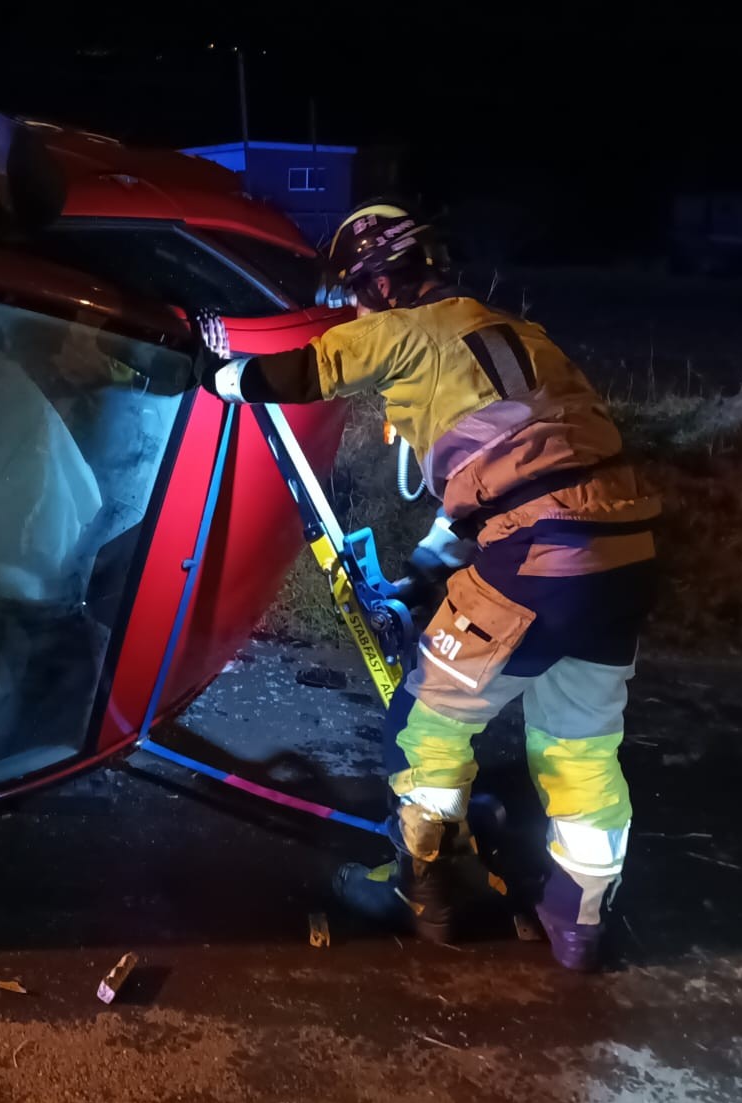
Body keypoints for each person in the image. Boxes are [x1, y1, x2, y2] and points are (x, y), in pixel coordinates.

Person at [195, 202, 658, 971]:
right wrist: (424, 572)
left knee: (425, 728)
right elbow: (514, 471)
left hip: (540, 553)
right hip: (622, 551)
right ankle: (576, 922)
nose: (354, 307)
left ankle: (427, 897)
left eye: (355, 294)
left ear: (377, 283)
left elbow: (306, 370)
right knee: (581, 746)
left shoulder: (405, 328)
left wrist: (219, 372)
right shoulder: (520, 335)